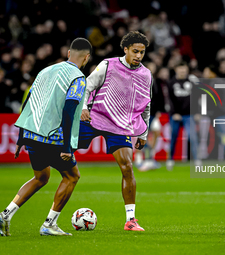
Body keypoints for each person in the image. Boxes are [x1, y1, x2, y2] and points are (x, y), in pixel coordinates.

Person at [0, 38, 92, 236]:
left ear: (68, 53)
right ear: (87, 58)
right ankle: (49, 224)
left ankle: (5, 215)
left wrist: (21, 137)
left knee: (41, 177)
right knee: (72, 176)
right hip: (53, 138)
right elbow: (69, 110)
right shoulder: (78, 78)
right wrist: (67, 146)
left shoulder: (45, 71)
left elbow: (29, 101)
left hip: (32, 134)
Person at [79, 31, 152, 231]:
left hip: (120, 126)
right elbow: (86, 86)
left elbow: (145, 105)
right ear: (126, 49)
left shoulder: (146, 74)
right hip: (94, 117)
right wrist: (83, 107)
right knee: (59, 152)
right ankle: (49, 214)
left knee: (127, 166)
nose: (138, 56)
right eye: (135, 51)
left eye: (142, 52)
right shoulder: (108, 65)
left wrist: (143, 133)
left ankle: (131, 220)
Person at [166, 61, 201, 170]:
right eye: (181, 69)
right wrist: (174, 113)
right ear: (176, 70)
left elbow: (197, 98)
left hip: (188, 114)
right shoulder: (171, 83)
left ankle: (197, 160)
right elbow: (169, 100)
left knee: (192, 137)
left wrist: (197, 112)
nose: (183, 71)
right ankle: (170, 159)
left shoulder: (192, 82)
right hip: (176, 115)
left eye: (184, 69)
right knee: (173, 137)